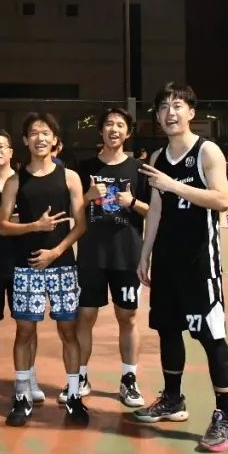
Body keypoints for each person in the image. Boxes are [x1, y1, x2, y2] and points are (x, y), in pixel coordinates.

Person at [128, 82, 228, 453]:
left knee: (211, 337)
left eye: (177, 105)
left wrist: (173, 185)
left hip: (200, 263)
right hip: (167, 261)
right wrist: (145, 254)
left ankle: (225, 417)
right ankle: (173, 400)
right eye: (163, 107)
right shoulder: (158, 157)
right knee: (168, 330)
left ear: (191, 112)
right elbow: (157, 209)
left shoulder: (207, 151)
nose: (170, 113)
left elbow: (222, 199)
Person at [0, 113, 88, 427]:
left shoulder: (70, 178)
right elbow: (3, 226)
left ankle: (74, 396)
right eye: (34, 133)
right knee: (24, 331)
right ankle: (22, 396)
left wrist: (56, 252)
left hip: (62, 266)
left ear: (54, 139)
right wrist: (34, 226)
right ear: (25, 140)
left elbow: (80, 225)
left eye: (45, 132)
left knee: (68, 331)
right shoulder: (15, 181)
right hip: (26, 268)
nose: (40, 138)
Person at [73, 107, 149, 409]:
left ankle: (129, 379)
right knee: (85, 316)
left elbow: (154, 210)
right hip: (91, 255)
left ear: (127, 133)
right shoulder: (84, 168)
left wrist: (133, 202)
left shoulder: (139, 169)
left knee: (127, 317)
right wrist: (88, 197)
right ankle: (80, 377)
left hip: (126, 255)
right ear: (100, 131)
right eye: (108, 124)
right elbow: (72, 210)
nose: (114, 129)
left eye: (120, 125)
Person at [0, 130, 45, 404]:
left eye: (1, 146)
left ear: (11, 151)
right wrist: (10, 220)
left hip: (24, 261)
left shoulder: (24, 181)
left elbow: (33, 219)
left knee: (28, 323)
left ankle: (29, 375)